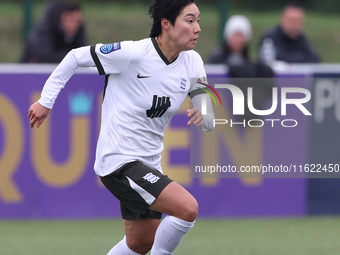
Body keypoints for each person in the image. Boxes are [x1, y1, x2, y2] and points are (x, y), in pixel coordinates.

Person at [28, 0, 214, 254]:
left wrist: (203, 114)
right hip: (119, 161)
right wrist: (46, 101)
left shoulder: (193, 63)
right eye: (190, 20)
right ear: (166, 24)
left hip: (149, 164)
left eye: (198, 21)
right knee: (187, 208)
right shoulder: (132, 54)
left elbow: (207, 113)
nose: (198, 28)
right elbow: (74, 57)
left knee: (140, 243)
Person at [207, 15, 274, 122]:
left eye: (241, 36)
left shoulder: (248, 60)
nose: (238, 40)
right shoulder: (217, 58)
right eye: (235, 35)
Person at [20, 1, 86, 63]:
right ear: (62, 18)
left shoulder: (79, 28)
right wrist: (74, 57)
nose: (74, 25)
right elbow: (45, 57)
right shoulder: (45, 30)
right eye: (71, 20)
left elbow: (83, 55)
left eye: (78, 21)